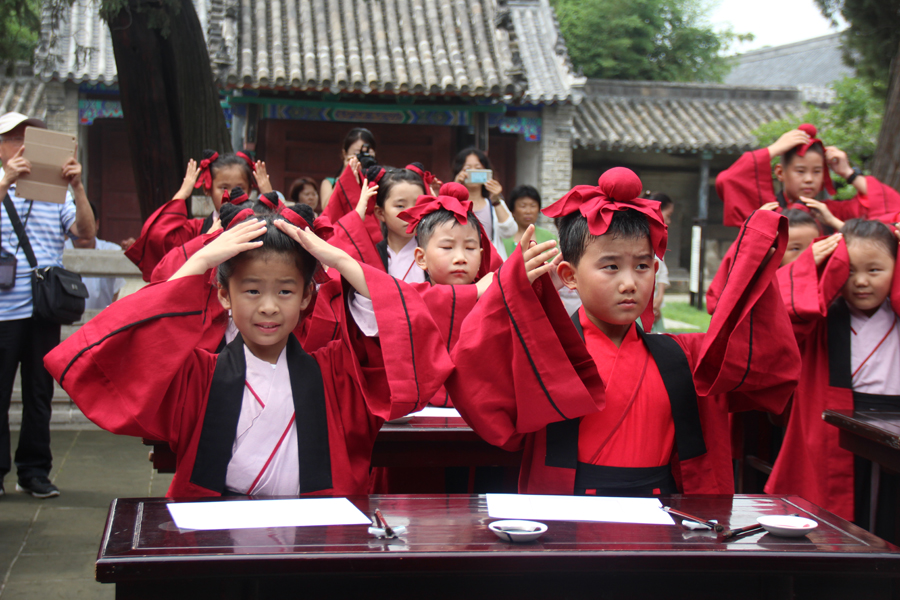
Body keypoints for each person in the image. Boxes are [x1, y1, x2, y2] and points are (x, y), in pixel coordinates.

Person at [44, 199, 453, 497]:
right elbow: (125, 348)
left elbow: (403, 334)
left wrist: (340, 261)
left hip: (319, 538)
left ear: (308, 296)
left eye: (286, 291)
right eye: (252, 290)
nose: (269, 306)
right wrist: (199, 261)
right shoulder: (197, 375)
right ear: (223, 295)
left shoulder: (337, 372)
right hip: (214, 532)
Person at [445, 167, 800, 497]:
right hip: (568, 513)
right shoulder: (547, 354)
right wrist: (507, 294)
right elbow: (477, 381)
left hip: (665, 515)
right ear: (569, 276)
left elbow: (762, 358)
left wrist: (753, 260)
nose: (629, 283)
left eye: (642, 266)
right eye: (610, 266)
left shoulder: (684, 355)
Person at [766, 219, 900, 537]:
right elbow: (774, 321)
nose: (861, 282)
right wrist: (804, 270)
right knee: (841, 525)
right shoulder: (820, 315)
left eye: (875, 270)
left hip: (893, 422)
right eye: (849, 271)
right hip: (835, 423)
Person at [0, 111, 97, 499]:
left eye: (31, 137)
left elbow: (86, 235)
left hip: (43, 309)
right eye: (14, 137)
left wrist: (77, 187)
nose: (24, 143)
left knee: (39, 392)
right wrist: (7, 178)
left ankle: (34, 471)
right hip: (3, 310)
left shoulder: (54, 194)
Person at [124, 150, 272, 281]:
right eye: (223, 187)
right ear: (207, 189)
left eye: (240, 188)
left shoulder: (260, 226)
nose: (231, 194)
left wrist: (269, 197)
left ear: (250, 189)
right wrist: (183, 193)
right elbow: (157, 237)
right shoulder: (196, 229)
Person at [717, 123, 900, 228]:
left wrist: (848, 173)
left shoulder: (830, 212)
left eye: (817, 171)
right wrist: (774, 149)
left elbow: (890, 206)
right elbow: (728, 180)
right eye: (800, 171)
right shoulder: (766, 209)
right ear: (780, 172)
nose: (809, 179)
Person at [452, 148, 516, 260]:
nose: (473, 172)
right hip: (461, 260)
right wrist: (454, 189)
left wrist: (496, 200)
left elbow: (510, 231)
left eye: (478, 168)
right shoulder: (452, 203)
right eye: (467, 168)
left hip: (491, 265)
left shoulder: (492, 204)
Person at [64, 200, 125, 310]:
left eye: (86, 224)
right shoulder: (59, 251)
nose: (82, 230)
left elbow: (121, 293)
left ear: (97, 224)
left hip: (103, 324)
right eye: (77, 224)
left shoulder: (112, 251)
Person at [319, 128, 376, 211]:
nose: (362, 157)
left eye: (368, 153)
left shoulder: (378, 181)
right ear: (345, 154)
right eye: (357, 153)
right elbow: (326, 209)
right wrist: (345, 172)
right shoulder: (329, 183)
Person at [644, 192, 674, 332]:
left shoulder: (660, 238)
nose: (669, 221)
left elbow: (662, 270)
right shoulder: (640, 236)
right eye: (668, 215)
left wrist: (659, 297)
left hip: (654, 302)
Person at [501, 185, 555, 257]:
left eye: (533, 206)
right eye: (523, 206)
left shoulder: (549, 237)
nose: (528, 211)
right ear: (512, 210)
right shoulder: (503, 237)